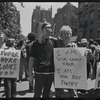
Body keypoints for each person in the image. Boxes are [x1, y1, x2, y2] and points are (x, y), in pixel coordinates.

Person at [30, 22, 55, 98]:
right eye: (46, 27)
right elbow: (31, 59)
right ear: (42, 30)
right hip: (40, 73)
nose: (48, 29)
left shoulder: (54, 42)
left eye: (50, 27)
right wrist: (30, 75)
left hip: (50, 73)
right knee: (37, 94)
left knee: (46, 94)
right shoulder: (36, 43)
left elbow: (65, 45)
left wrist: (72, 45)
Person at [54, 25, 78, 98]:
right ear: (61, 35)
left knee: (73, 94)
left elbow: (79, 59)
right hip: (59, 74)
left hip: (71, 74)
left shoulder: (74, 46)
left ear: (71, 35)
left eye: (68, 33)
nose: (67, 35)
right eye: (64, 34)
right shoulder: (56, 44)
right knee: (58, 94)